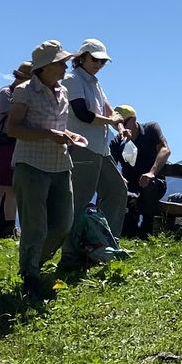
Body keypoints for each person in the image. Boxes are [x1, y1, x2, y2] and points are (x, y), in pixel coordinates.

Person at [6, 41, 89, 298]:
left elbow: (56, 128)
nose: (65, 66)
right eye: (61, 63)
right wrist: (48, 134)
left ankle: (34, 264)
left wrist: (67, 135)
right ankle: (30, 274)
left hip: (60, 165)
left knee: (63, 224)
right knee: (35, 226)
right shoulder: (24, 92)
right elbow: (13, 128)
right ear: (45, 67)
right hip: (31, 165)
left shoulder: (62, 92)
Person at [62, 38, 128, 260]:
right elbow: (81, 113)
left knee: (117, 190)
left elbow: (110, 111)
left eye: (102, 61)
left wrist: (119, 126)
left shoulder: (95, 83)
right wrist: (111, 122)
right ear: (82, 57)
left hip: (101, 149)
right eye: (95, 59)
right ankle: (70, 253)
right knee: (80, 199)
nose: (99, 64)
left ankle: (106, 243)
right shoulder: (72, 79)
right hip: (82, 148)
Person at [0, 63, 31, 238]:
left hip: (15, 144)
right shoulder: (5, 93)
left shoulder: (15, 93)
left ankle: (9, 227)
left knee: (11, 189)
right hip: (3, 144)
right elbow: (15, 115)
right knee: (0, 187)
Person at [110, 105, 171, 239]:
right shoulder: (116, 142)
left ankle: (147, 229)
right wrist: (119, 178)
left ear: (134, 119)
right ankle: (129, 232)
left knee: (149, 187)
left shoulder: (151, 129)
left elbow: (165, 150)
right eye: (117, 124)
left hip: (154, 182)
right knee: (123, 194)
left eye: (125, 122)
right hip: (130, 185)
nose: (122, 126)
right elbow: (111, 165)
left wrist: (151, 173)